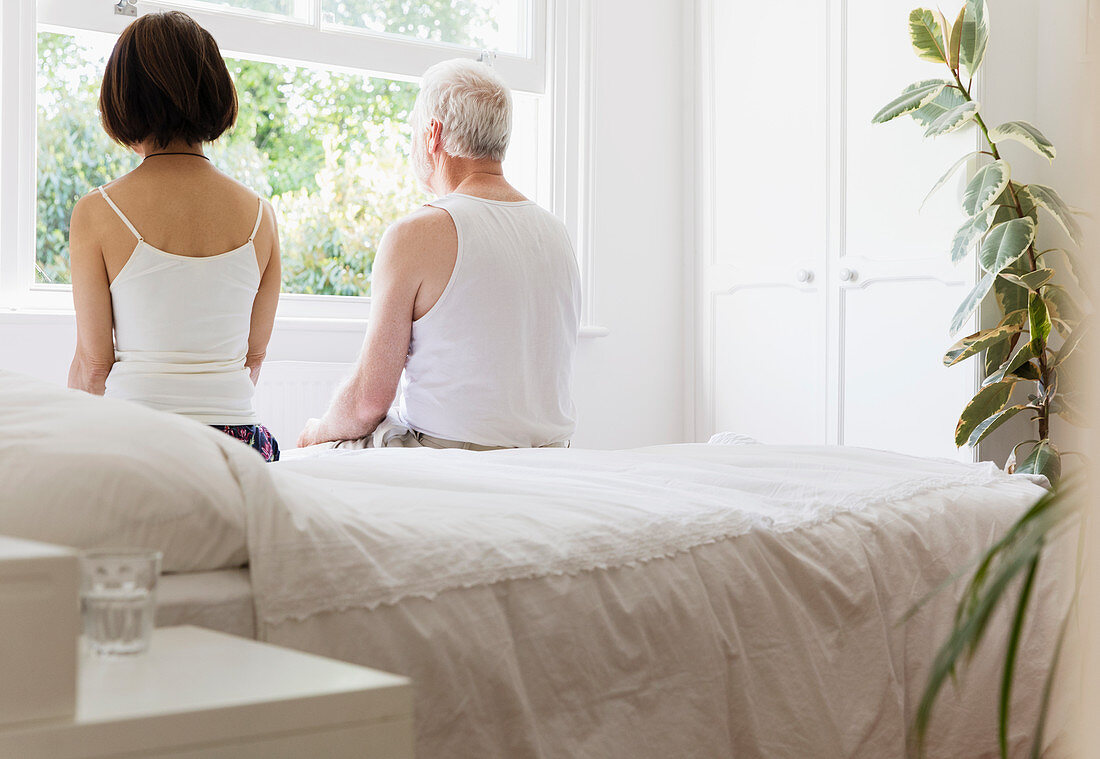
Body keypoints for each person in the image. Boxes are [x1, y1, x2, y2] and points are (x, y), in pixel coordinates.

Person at [297, 58, 580, 451]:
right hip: (552, 455)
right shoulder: (557, 232)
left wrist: (314, 433)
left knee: (320, 449)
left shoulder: (417, 233)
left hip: (451, 459)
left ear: (433, 134)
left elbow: (368, 402)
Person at [67, 11, 282, 462]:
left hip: (139, 441)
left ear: (122, 97)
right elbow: (253, 358)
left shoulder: (97, 213)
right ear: (215, 91)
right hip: (237, 444)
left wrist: (70, 448)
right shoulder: (262, 217)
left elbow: (94, 365)